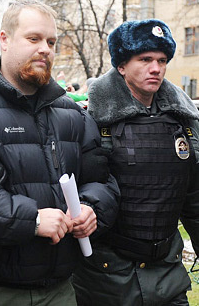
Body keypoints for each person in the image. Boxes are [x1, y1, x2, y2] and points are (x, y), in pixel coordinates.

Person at [0, 0, 120, 305]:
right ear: (4, 41)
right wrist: (30, 220)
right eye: (33, 39)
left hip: (60, 289)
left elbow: (101, 179)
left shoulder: (71, 112)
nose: (45, 49)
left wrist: (91, 209)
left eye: (50, 42)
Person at [72, 19, 199, 306]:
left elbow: (194, 197)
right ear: (121, 65)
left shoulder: (185, 121)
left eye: (162, 60)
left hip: (168, 275)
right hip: (107, 281)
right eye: (145, 59)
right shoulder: (88, 119)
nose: (156, 68)